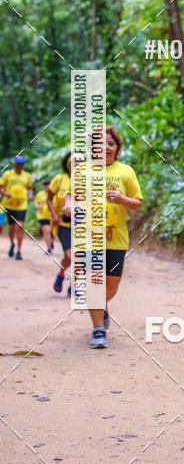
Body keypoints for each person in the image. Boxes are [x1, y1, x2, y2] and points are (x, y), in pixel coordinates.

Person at [72, 125, 143, 349]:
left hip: (116, 238)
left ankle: (101, 307)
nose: (106, 147)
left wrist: (122, 199)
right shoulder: (83, 171)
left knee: (111, 286)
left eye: (111, 143)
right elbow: (73, 199)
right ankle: (98, 329)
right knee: (94, 283)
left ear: (117, 147)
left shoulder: (126, 171)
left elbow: (137, 204)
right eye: (100, 143)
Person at [48, 152, 72, 295]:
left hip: (82, 224)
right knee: (70, 255)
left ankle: (73, 285)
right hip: (63, 224)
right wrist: (53, 214)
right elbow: (48, 199)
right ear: (68, 165)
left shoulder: (87, 180)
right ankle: (61, 274)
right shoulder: (59, 179)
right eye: (73, 163)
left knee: (79, 256)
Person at [0, 155, 33, 260]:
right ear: (14, 164)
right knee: (11, 228)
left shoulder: (26, 175)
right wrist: (5, 193)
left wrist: (31, 194)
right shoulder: (7, 175)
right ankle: (12, 243)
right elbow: (1, 187)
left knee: (19, 225)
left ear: (23, 165)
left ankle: (19, 251)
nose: (19, 166)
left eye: (21, 164)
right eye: (17, 164)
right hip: (9, 204)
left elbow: (29, 187)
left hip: (22, 205)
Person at [34, 178, 53, 254]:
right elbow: (35, 205)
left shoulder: (54, 193)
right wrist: (42, 207)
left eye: (48, 184)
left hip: (52, 216)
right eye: (45, 185)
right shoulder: (40, 194)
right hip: (42, 216)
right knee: (47, 230)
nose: (47, 186)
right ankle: (49, 248)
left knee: (52, 232)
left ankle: (51, 243)